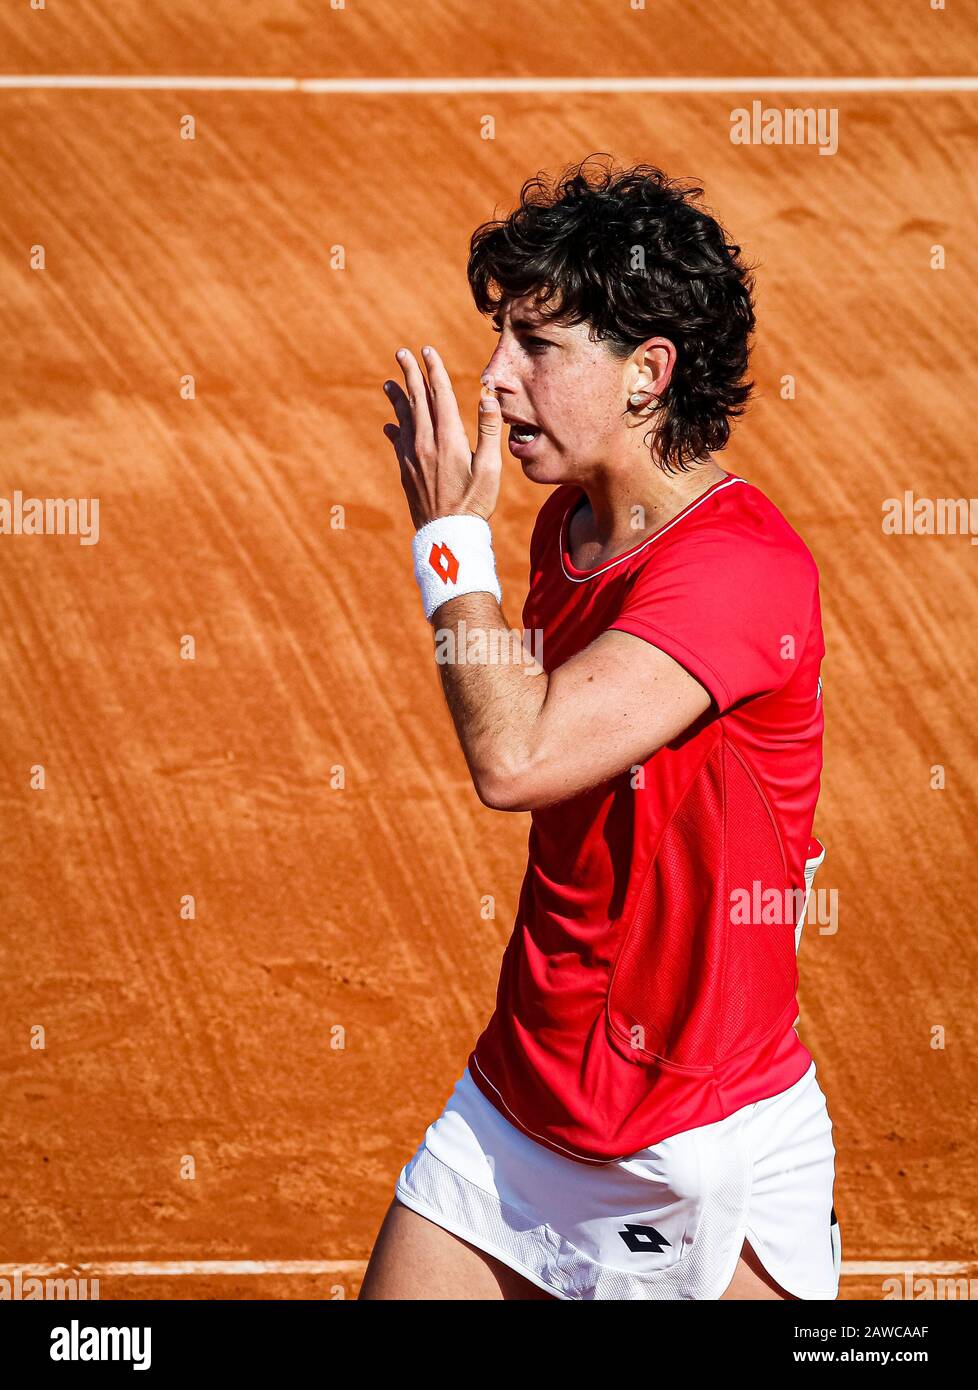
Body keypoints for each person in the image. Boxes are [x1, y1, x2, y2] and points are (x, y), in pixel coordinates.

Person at [363, 155, 840, 1300]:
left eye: (537, 347)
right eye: (499, 341)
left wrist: (446, 544)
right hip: (522, 1108)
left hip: (694, 1137)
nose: (494, 382)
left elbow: (514, 757)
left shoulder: (740, 573)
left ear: (647, 375)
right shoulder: (570, 530)